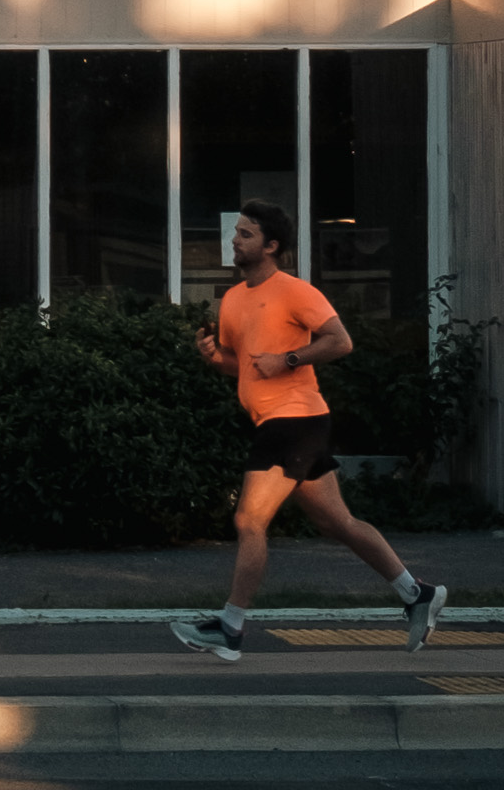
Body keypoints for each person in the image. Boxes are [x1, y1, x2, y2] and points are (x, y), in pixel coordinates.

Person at [171, 206, 448, 661]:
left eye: (245, 234)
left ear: (271, 245)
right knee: (335, 522)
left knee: (248, 520)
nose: (235, 241)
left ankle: (230, 628)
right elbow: (241, 366)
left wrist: (291, 359)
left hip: (295, 419)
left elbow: (341, 341)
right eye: (235, 233)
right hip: (281, 421)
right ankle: (416, 593)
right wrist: (211, 357)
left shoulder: (296, 291)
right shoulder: (234, 299)